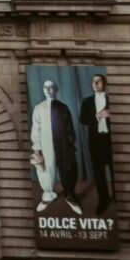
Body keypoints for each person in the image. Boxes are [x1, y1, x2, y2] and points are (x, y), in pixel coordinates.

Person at [30, 79, 81, 214]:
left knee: (68, 168)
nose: (48, 90)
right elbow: (36, 129)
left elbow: (69, 128)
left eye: (51, 87)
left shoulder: (63, 107)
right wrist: (37, 150)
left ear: (56, 90)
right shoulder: (38, 108)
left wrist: (69, 144)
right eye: (45, 87)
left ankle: (69, 194)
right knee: (46, 170)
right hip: (46, 144)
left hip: (63, 144)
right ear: (43, 89)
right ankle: (47, 195)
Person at [79, 74, 114, 215]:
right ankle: (103, 200)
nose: (95, 83)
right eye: (93, 81)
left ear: (104, 83)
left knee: (114, 171)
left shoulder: (112, 100)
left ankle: (119, 197)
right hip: (95, 141)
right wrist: (98, 116)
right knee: (99, 173)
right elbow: (83, 120)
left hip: (110, 140)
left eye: (98, 81)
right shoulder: (87, 102)